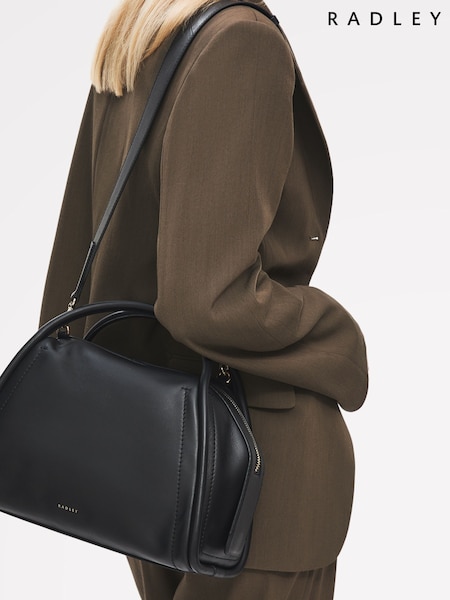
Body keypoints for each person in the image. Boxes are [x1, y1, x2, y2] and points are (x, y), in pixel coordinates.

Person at [39, 0, 368, 598]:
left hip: (154, 457)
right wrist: (336, 338)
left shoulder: (141, 36)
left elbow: (77, 270)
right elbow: (207, 302)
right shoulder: (241, 41)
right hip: (253, 465)